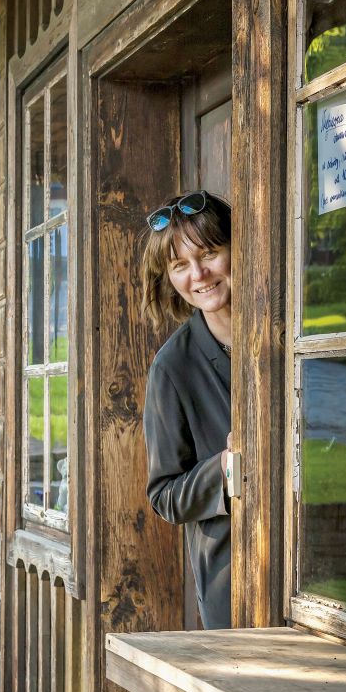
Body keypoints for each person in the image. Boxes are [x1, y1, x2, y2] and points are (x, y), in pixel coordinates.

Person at [141, 191, 233, 629]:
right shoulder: (171, 367)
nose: (199, 275)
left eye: (210, 254)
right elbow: (163, 496)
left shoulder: (293, 334)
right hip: (231, 578)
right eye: (180, 265)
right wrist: (227, 469)